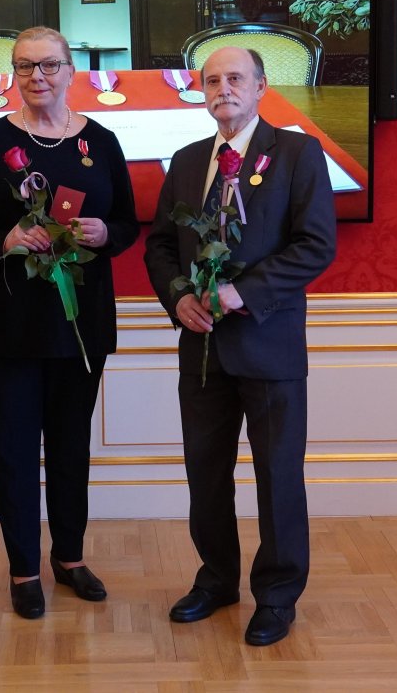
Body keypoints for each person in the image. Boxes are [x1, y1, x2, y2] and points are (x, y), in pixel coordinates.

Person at [143, 46, 336, 647]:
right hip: (201, 346)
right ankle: (217, 579)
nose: (222, 88)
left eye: (234, 78)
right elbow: (160, 245)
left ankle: (277, 596)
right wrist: (179, 297)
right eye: (211, 80)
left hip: (269, 344)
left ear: (260, 87)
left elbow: (315, 245)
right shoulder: (186, 160)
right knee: (205, 472)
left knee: (278, 476)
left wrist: (240, 293)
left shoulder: (298, 153)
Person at [0, 27, 139, 619]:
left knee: (71, 446)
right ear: (13, 73)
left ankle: (70, 559)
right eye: (26, 66)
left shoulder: (101, 141)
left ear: (71, 70)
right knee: (11, 450)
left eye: (50, 65)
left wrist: (105, 233)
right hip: (7, 327)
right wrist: (5, 238)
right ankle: (24, 569)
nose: (38, 76)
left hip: (80, 325)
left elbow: (127, 223)